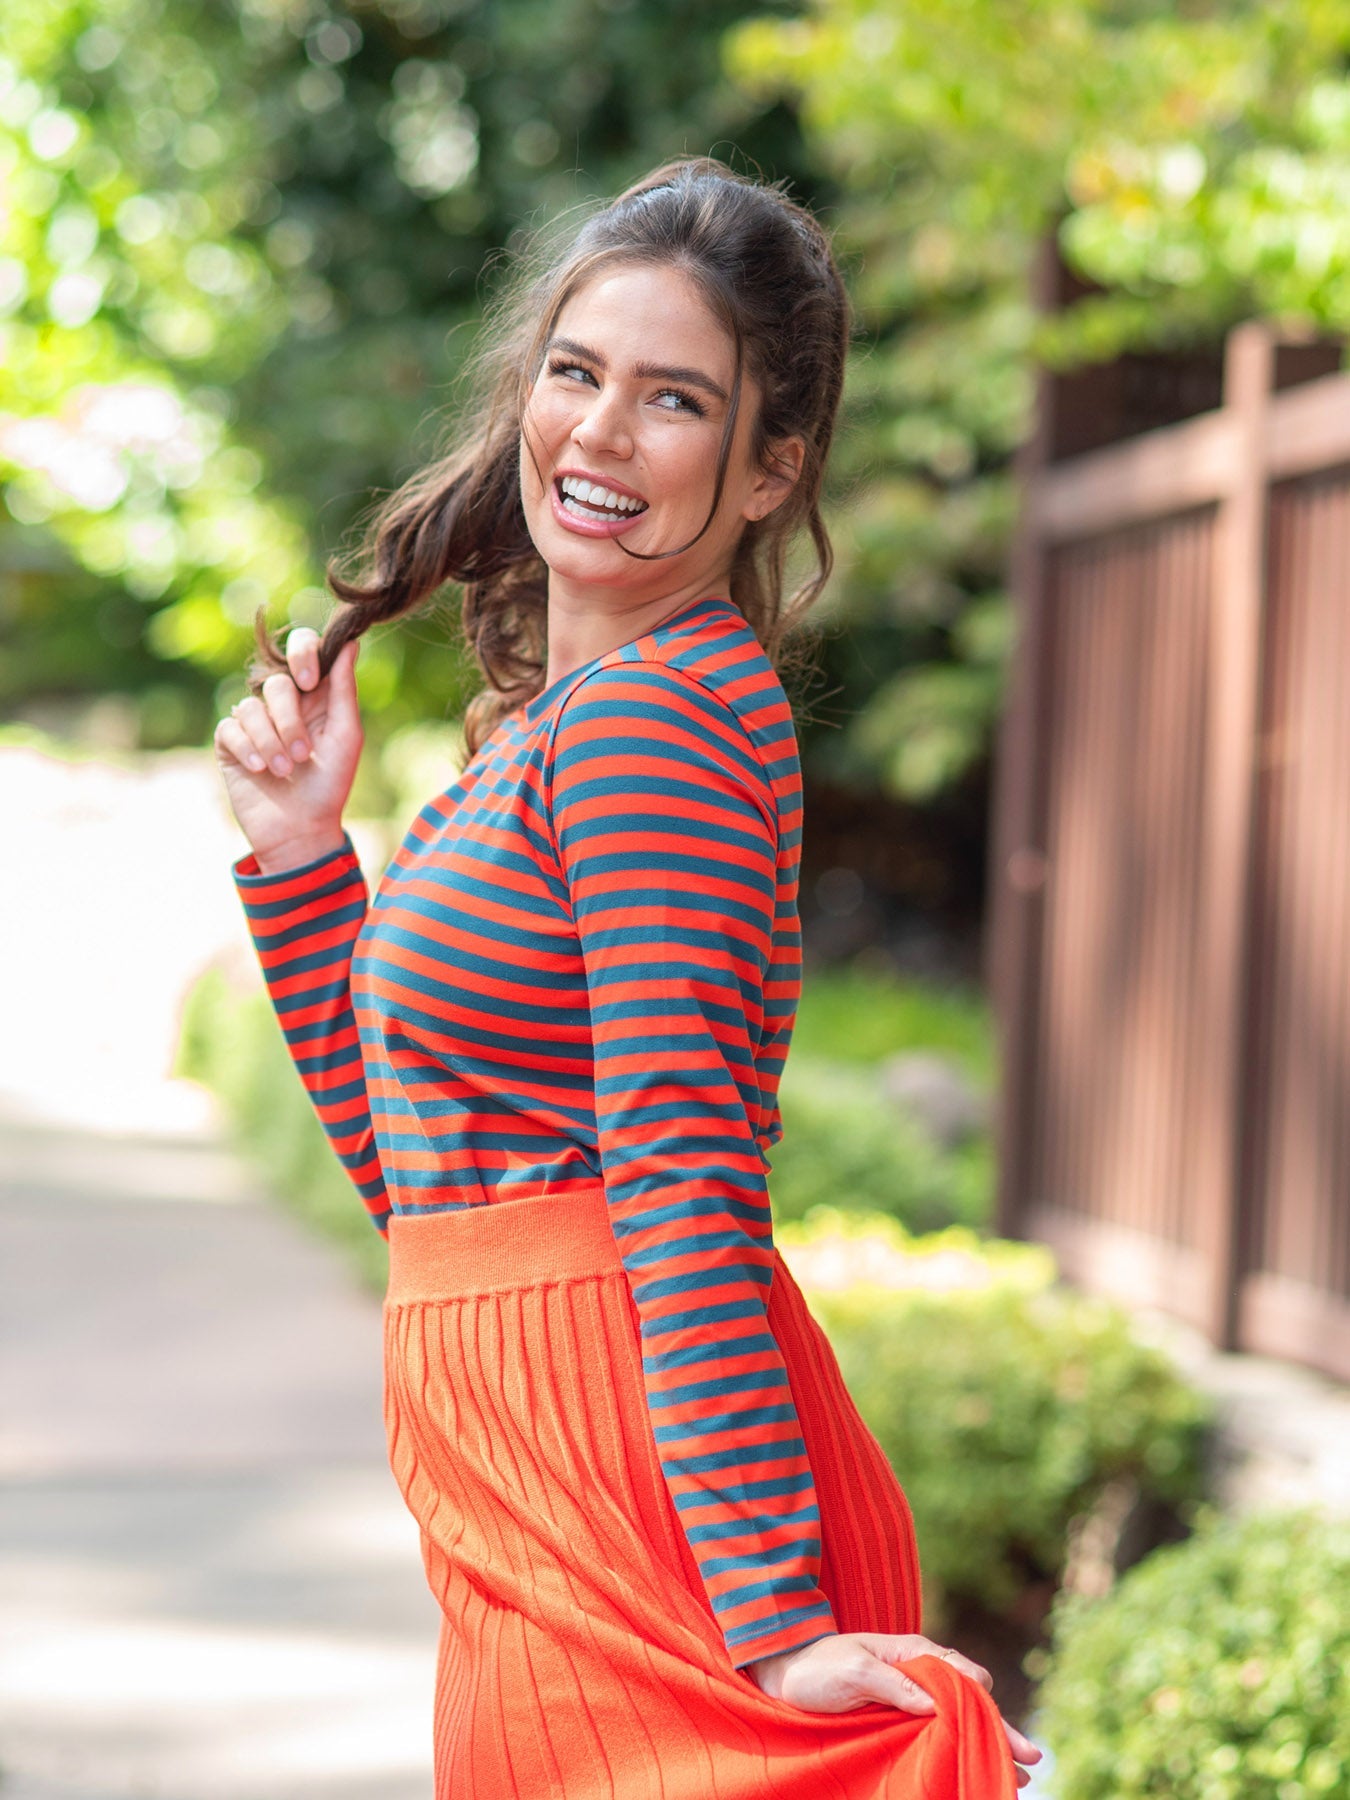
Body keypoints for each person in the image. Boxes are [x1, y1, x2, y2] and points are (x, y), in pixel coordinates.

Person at [214, 157, 1042, 1798]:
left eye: (674, 400)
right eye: (574, 372)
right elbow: (427, 1185)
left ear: (768, 468)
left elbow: (678, 1159)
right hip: (521, 1451)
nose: (596, 433)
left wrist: (775, 1624)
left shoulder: (652, 726)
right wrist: (301, 857)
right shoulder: (558, 728)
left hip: (622, 1474)